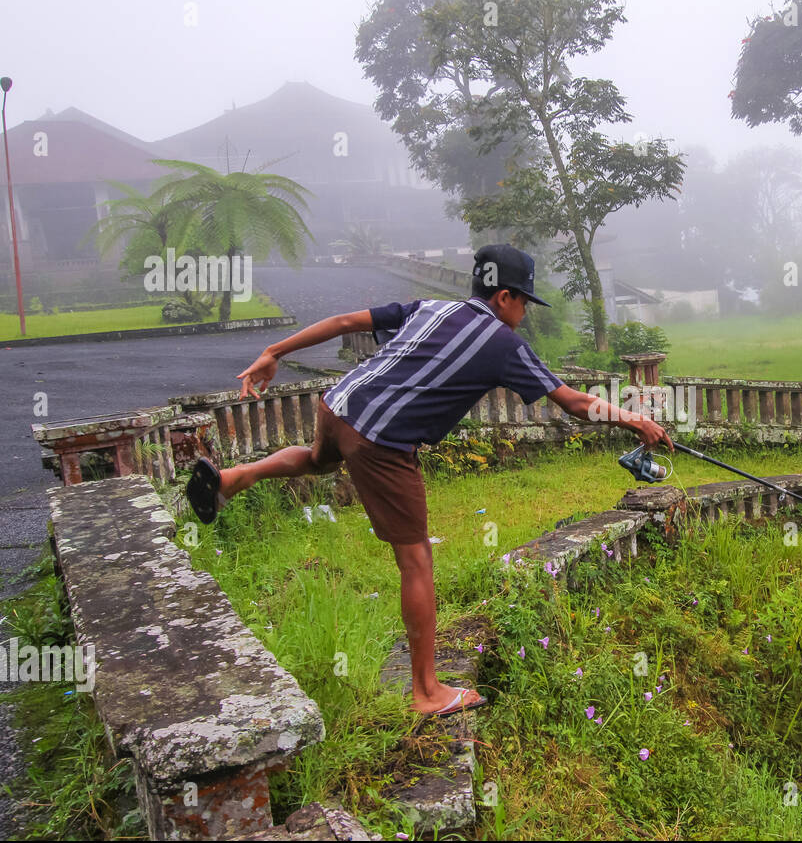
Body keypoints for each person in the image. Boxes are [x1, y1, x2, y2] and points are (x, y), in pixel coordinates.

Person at [186, 244, 673, 716]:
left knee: (318, 460)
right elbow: (571, 402)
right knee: (417, 560)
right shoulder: (504, 343)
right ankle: (426, 691)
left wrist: (275, 349)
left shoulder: (431, 308)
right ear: (505, 296)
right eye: (524, 300)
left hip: (338, 404)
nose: (525, 311)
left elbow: (343, 322)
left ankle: (229, 480)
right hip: (381, 439)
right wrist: (635, 421)